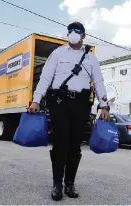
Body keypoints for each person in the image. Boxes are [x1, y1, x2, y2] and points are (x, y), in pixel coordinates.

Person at [28, 21, 110, 201]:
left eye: (77, 30)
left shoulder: (91, 58)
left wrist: (104, 105)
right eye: (70, 30)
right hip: (59, 102)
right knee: (59, 142)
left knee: (75, 144)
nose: (72, 33)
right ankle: (57, 183)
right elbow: (46, 78)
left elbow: (99, 82)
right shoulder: (57, 54)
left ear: (83, 35)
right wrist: (36, 100)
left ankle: (70, 183)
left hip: (81, 104)